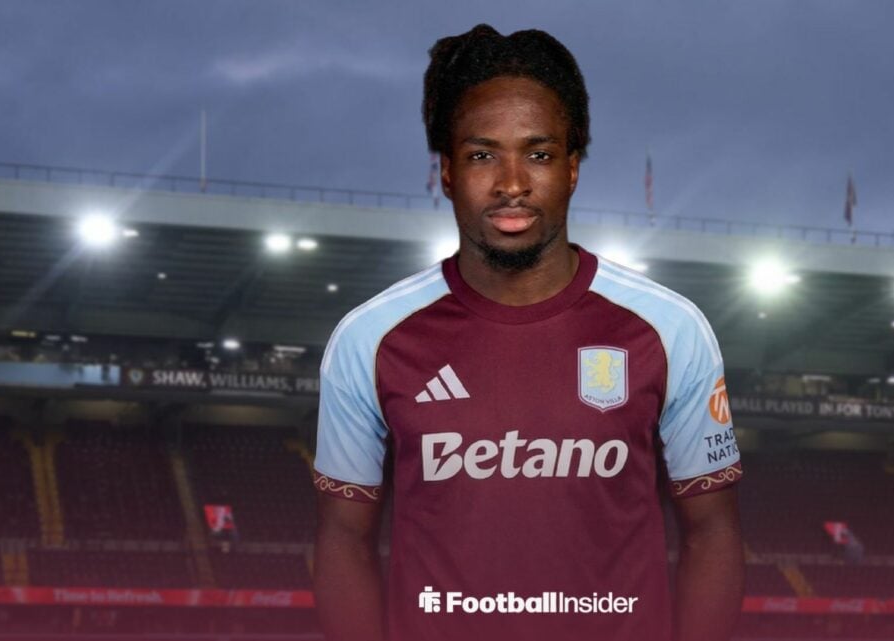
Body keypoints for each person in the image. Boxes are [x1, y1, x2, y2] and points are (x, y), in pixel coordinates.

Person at [313, 24, 744, 641]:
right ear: (447, 172)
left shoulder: (669, 329)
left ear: (571, 168)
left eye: (538, 154)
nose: (511, 182)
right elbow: (342, 539)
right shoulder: (371, 338)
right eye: (482, 154)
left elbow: (713, 531)